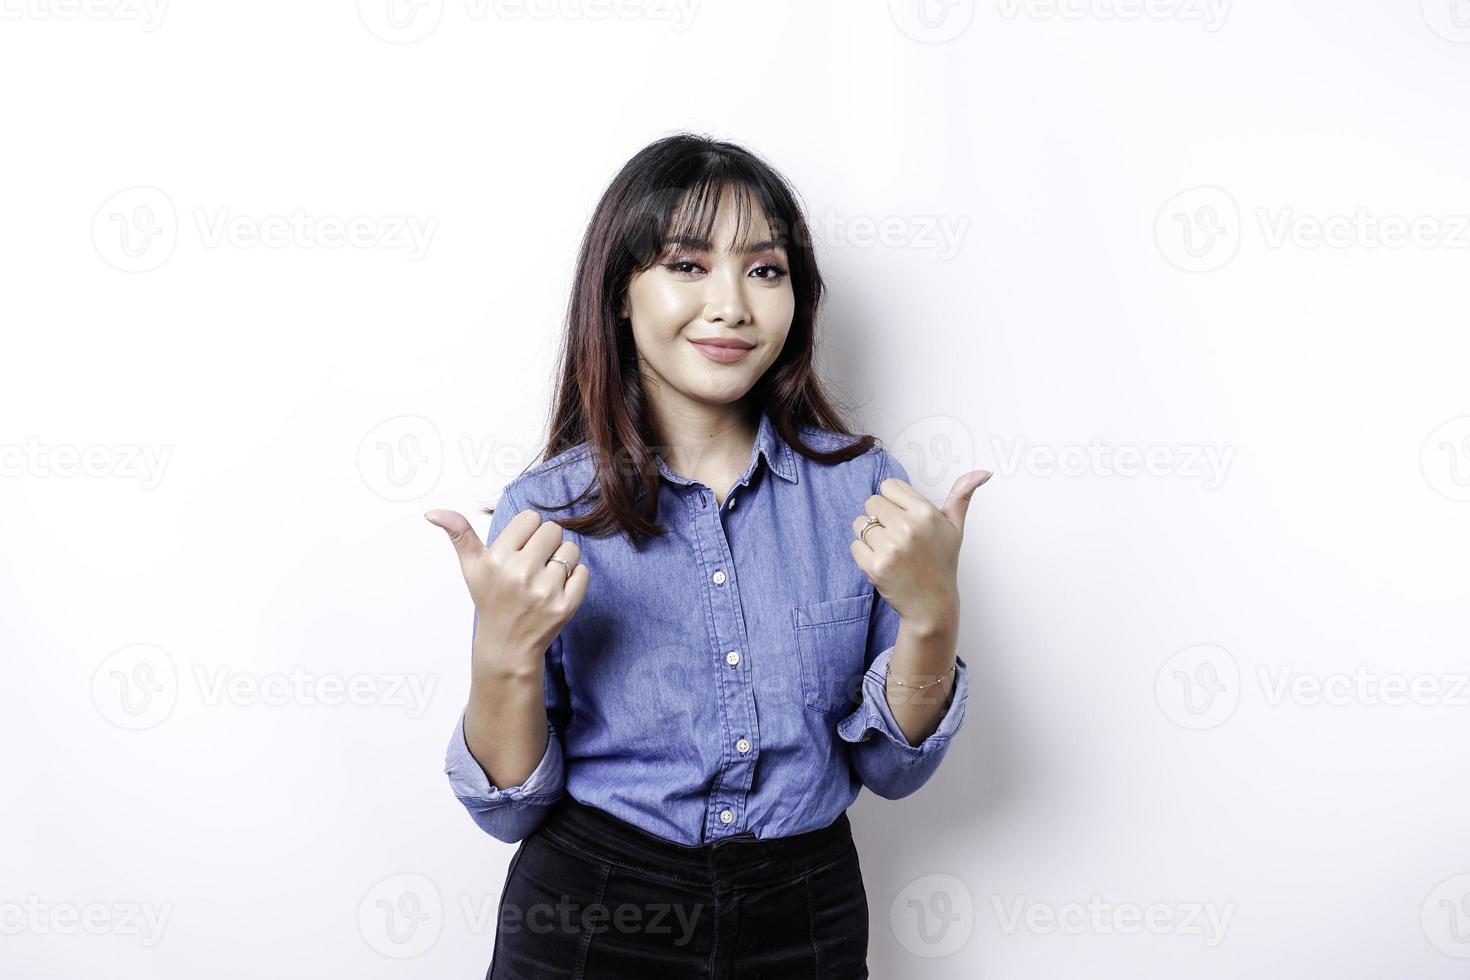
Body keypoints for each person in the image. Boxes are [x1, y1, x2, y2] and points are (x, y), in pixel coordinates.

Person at [425, 132, 992, 979]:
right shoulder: (546, 510)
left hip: (804, 912)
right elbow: (509, 809)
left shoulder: (867, 493)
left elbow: (891, 768)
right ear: (620, 292)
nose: (732, 305)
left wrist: (933, 615)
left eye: (765, 270)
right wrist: (503, 653)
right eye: (687, 265)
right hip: (592, 911)